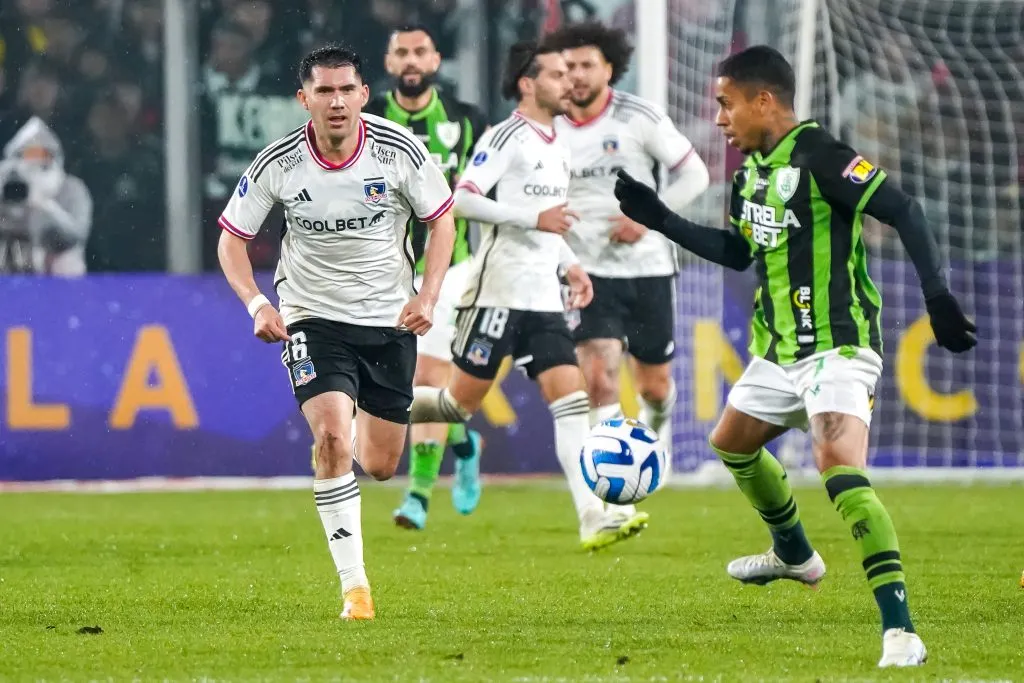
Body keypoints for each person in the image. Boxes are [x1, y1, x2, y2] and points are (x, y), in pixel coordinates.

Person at [613, 45, 977, 667]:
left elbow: (904, 210)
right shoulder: (749, 175)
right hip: (779, 350)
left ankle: (901, 633)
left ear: (764, 100)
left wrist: (937, 295)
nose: (720, 119)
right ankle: (794, 554)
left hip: (837, 345)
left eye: (726, 104)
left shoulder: (822, 156)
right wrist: (661, 219)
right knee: (731, 443)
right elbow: (738, 253)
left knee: (838, 468)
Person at [217, 44, 456, 621]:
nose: (337, 101)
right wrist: (257, 304)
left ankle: (424, 411)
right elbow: (231, 240)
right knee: (330, 439)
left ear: (364, 95)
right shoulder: (278, 163)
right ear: (304, 99)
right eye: (324, 91)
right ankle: (356, 590)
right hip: (312, 317)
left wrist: (427, 295)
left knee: (380, 464)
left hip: (388, 321)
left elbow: (442, 220)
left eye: (347, 89)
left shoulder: (400, 150)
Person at [410, 40, 648, 551]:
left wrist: (570, 264)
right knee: (455, 407)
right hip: (497, 294)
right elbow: (462, 200)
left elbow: (550, 223)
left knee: (571, 402)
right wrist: (531, 219)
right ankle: (367, 409)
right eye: (557, 75)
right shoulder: (506, 137)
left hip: (542, 299)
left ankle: (592, 517)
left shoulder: (558, 144)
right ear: (527, 83)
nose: (570, 82)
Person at [546, 20, 710, 461]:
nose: (577, 75)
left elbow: (695, 175)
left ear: (609, 68)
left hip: (647, 268)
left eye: (587, 65)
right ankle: (612, 473)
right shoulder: (549, 126)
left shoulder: (639, 117)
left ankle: (656, 428)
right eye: (569, 66)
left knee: (653, 387)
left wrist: (649, 218)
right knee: (598, 378)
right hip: (586, 271)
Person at [365, 24, 489, 530]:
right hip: (382, 273)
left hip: (449, 269)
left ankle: (417, 495)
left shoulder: (467, 120)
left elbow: (487, 195)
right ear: (389, 62)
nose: (411, 60)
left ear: (436, 60)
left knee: (427, 377)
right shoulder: (368, 121)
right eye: (402, 52)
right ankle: (464, 442)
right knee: (396, 383)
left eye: (420, 51)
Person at [0, 116, 91, 275]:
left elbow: (76, 235)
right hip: (10, 260)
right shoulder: (5, 184)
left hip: (53, 269)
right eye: (26, 156)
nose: (34, 166)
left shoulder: (72, 189)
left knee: (67, 262)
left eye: (43, 160)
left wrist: (45, 205)